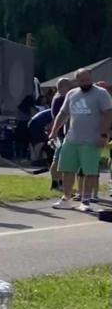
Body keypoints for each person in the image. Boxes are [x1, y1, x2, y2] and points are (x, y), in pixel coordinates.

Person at [48, 69, 112, 211]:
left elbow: (108, 114)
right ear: (77, 81)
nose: (86, 83)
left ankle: (86, 200)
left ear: (91, 78)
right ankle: (66, 198)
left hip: (91, 139)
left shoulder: (101, 94)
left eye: (88, 80)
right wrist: (54, 131)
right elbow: (63, 113)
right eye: (82, 81)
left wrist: (103, 135)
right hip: (71, 138)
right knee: (67, 169)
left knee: (89, 171)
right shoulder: (72, 94)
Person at [48, 78, 72, 191]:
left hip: (59, 131)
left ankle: (58, 182)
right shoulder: (61, 98)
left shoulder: (56, 97)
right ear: (63, 87)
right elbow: (65, 116)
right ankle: (56, 183)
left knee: (59, 158)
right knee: (59, 158)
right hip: (62, 132)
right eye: (69, 86)